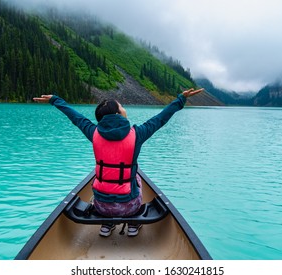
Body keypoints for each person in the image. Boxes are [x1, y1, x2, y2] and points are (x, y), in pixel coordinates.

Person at [33, 88, 203, 237]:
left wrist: (55, 100)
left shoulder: (93, 133)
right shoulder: (137, 134)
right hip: (130, 207)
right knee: (135, 176)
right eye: (121, 106)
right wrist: (181, 98)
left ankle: (107, 224)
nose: (124, 108)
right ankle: (133, 224)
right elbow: (160, 119)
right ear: (117, 114)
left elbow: (76, 118)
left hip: (100, 207)